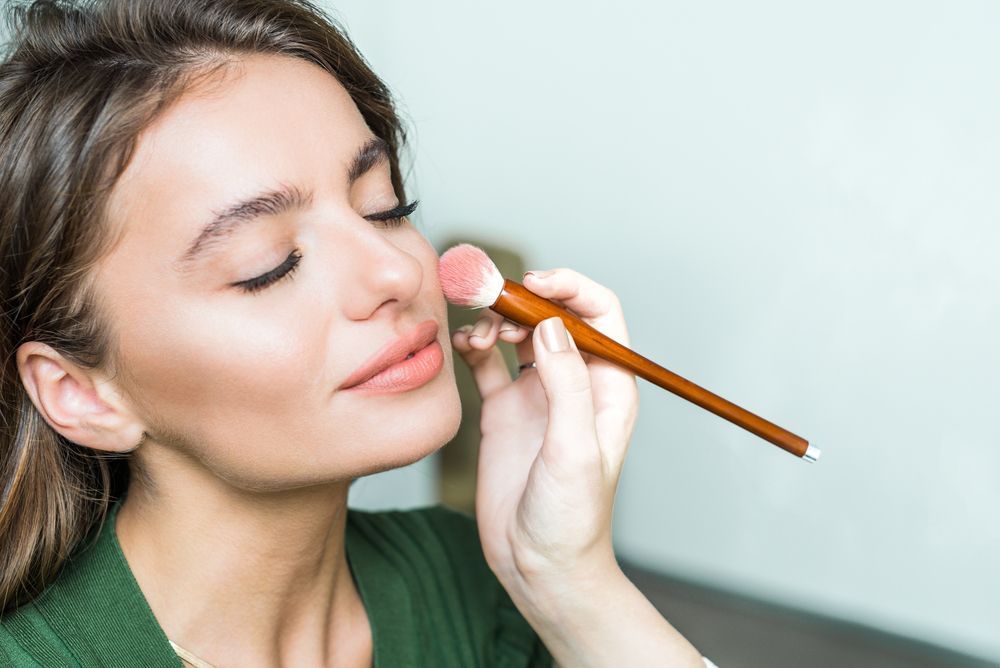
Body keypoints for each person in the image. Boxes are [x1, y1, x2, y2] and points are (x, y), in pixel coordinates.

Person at [0, 1, 718, 666]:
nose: (397, 272)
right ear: (81, 393)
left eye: (382, 208)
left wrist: (569, 582)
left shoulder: (483, 593)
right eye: (269, 267)